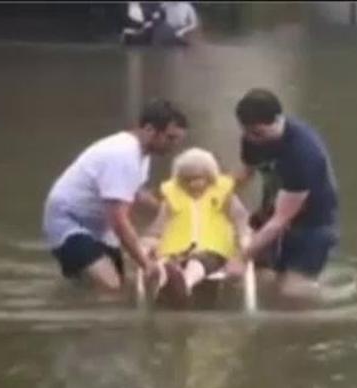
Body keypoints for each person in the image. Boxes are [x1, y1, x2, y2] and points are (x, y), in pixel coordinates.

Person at [42, 99, 188, 294]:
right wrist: (145, 263)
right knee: (111, 288)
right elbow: (118, 220)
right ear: (150, 129)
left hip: (98, 227)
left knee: (122, 286)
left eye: (178, 140)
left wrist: (170, 210)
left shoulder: (141, 154)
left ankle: (73, 290)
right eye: (170, 138)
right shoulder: (122, 155)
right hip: (69, 222)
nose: (174, 146)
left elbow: (135, 192)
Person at [225, 88, 339, 299]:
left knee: (292, 292)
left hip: (311, 225)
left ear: (278, 120)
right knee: (259, 279)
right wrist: (217, 190)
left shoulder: (303, 153)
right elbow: (246, 172)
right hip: (271, 213)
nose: (252, 139)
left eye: (258, 133)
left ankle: (315, 304)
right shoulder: (252, 138)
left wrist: (243, 256)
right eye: (247, 132)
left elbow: (282, 219)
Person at [141, 147, 250, 305]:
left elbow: (241, 220)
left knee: (198, 260)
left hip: (214, 251)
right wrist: (144, 248)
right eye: (188, 179)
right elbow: (157, 230)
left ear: (209, 176)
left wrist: (244, 247)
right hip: (176, 250)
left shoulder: (224, 195)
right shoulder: (172, 198)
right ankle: (170, 286)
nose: (193, 184)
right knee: (166, 262)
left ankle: (183, 285)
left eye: (198, 178)